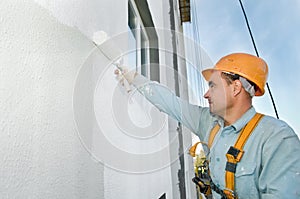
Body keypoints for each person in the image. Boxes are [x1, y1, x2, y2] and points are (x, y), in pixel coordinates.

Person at [114, 52, 300, 198]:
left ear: (236, 88)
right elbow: (170, 102)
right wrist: (134, 78)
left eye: (213, 86)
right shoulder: (208, 122)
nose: (206, 94)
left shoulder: (277, 138)